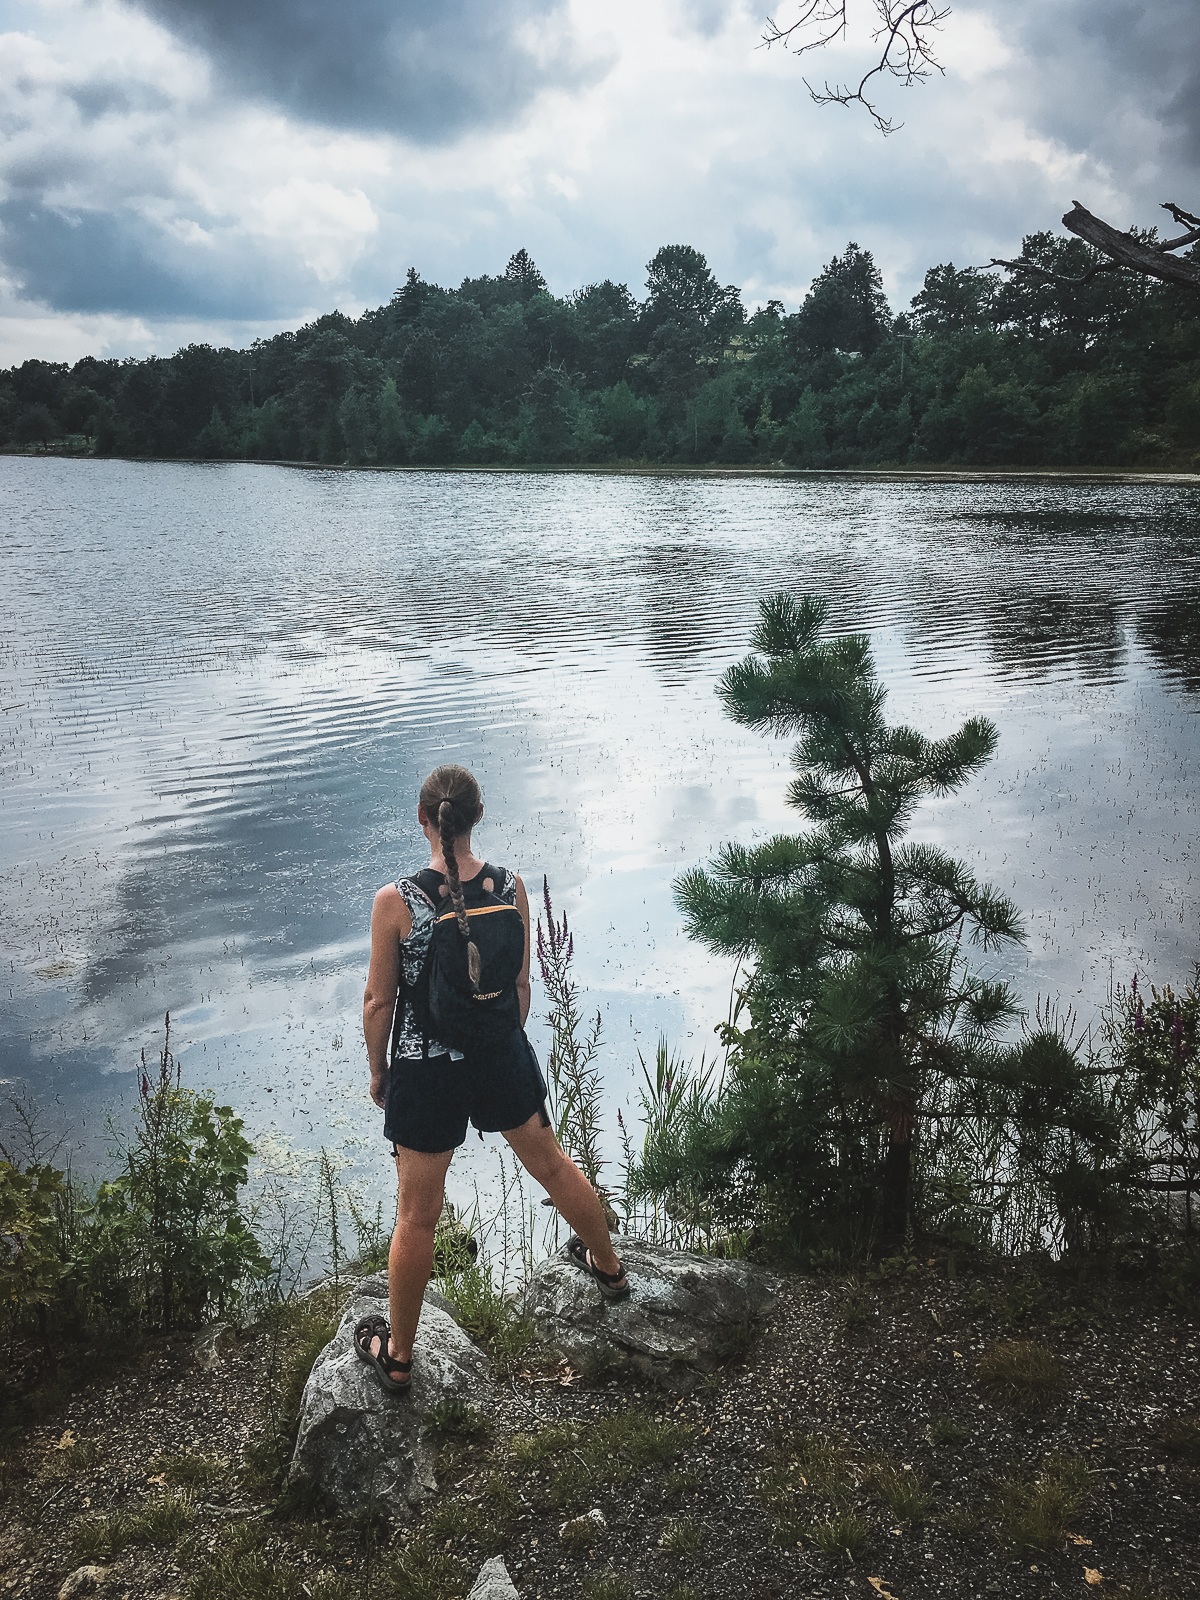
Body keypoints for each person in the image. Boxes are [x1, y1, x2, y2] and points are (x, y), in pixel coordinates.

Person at [358, 763, 628, 1392]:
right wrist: (502, 1045)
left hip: (426, 1070)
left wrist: (381, 1073)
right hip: (501, 1054)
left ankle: (398, 1357)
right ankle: (610, 1270)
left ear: (422, 819)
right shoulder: (511, 885)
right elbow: (522, 986)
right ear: (477, 817)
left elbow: (378, 1004)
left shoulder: (397, 901)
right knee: (556, 1167)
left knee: (416, 1217)